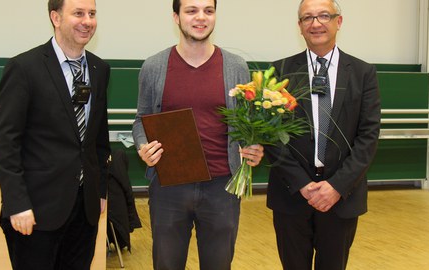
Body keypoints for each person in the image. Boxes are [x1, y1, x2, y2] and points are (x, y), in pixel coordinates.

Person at [132, 0, 264, 269]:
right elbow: (140, 121)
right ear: (176, 17)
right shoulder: (154, 66)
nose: (200, 17)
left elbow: (247, 121)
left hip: (222, 187)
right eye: (191, 11)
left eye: (209, 10)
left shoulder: (236, 66)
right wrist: (142, 145)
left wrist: (254, 146)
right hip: (169, 186)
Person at [0, 0, 111, 269]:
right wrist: (16, 203)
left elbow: (99, 140)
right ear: (55, 18)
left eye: (92, 14)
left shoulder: (99, 69)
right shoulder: (24, 68)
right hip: (36, 210)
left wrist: (101, 190)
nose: (88, 21)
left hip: (85, 210)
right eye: (78, 13)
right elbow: (5, 144)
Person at [265, 0, 381, 269]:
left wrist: (337, 186)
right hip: (291, 194)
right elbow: (270, 135)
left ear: (338, 22)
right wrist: (303, 184)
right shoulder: (278, 71)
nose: (315, 23)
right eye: (308, 18)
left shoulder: (363, 73)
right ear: (299, 27)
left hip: (341, 197)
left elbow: (368, 136)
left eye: (324, 16)